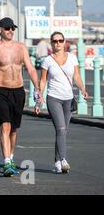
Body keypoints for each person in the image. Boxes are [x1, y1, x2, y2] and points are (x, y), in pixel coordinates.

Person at [0, 18, 40, 177]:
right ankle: (6, 162)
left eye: (12, 28)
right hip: (0, 91)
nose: (10, 31)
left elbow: (31, 69)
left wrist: (38, 88)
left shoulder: (21, 47)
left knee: (14, 128)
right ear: (0, 30)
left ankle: (11, 157)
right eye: (7, 28)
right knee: (5, 126)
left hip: (18, 91)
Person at [37, 32, 88, 174]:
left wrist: (82, 89)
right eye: (55, 41)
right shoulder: (47, 60)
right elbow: (42, 81)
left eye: (60, 40)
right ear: (51, 43)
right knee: (60, 129)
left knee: (63, 131)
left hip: (69, 99)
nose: (58, 43)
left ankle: (57, 162)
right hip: (53, 98)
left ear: (64, 42)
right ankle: (64, 159)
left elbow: (76, 76)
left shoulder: (72, 58)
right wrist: (38, 98)